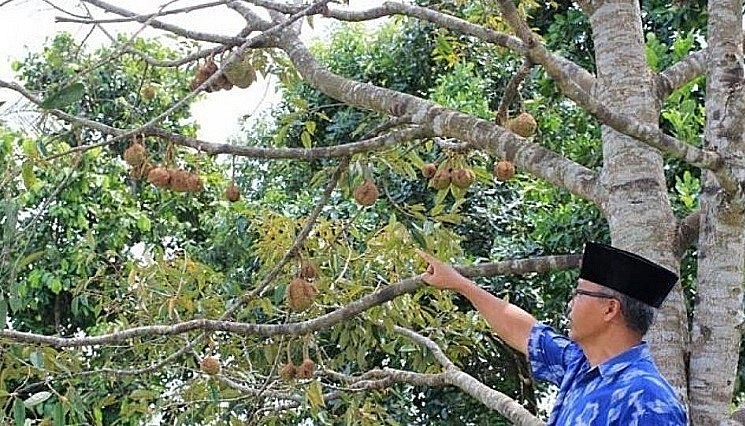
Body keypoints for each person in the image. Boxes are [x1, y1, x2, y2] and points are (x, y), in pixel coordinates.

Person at [418, 242, 688, 425]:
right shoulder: (581, 365)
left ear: (610, 309)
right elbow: (522, 329)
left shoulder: (647, 397)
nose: (571, 303)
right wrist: (459, 284)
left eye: (579, 293)